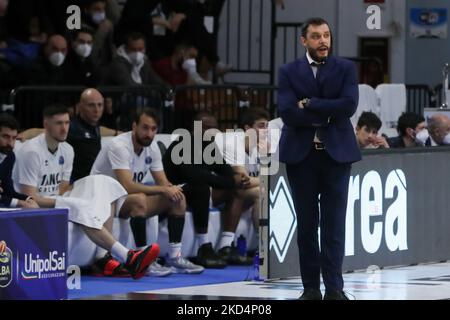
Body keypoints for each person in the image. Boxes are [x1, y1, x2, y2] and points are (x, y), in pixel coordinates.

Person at [14, 105, 160, 279]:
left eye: (67, 123)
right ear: (46, 125)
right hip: (32, 204)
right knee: (81, 206)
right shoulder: (31, 151)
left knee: (106, 184)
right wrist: (67, 201)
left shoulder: (68, 150)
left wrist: (70, 198)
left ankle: (105, 258)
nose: (64, 128)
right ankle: (126, 257)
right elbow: (28, 197)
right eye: (58, 123)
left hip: (57, 199)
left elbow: (62, 189)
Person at [277, 17, 361, 300]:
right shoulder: (288, 71)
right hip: (302, 157)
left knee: (334, 225)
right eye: (316, 36)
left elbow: (348, 105)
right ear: (304, 41)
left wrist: (312, 104)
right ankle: (310, 288)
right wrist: (328, 111)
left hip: (337, 155)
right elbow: (287, 112)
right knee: (307, 225)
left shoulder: (346, 68)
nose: (323, 41)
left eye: (326, 35)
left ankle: (335, 289)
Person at [91, 108, 204, 275]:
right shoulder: (119, 146)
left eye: (153, 129)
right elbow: (127, 186)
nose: (149, 133)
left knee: (178, 198)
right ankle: (143, 261)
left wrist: (171, 189)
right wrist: (163, 189)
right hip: (103, 199)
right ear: (134, 126)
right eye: (145, 128)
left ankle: (175, 257)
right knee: (139, 199)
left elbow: (163, 182)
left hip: (122, 199)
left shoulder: (152, 148)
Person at [163, 112, 245, 268]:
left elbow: (225, 171)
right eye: (207, 128)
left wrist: (234, 180)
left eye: (215, 129)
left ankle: (225, 245)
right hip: (174, 189)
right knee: (202, 188)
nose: (212, 132)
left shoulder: (210, 147)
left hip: (195, 189)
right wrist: (228, 180)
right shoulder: (183, 144)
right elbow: (194, 176)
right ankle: (203, 245)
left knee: (236, 190)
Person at [0, 113, 39, 208]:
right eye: (5, 137)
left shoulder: (9, 156)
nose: (11, 143)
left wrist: (28, 199)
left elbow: (8, 191)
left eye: (14, 138)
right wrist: (19, 203)